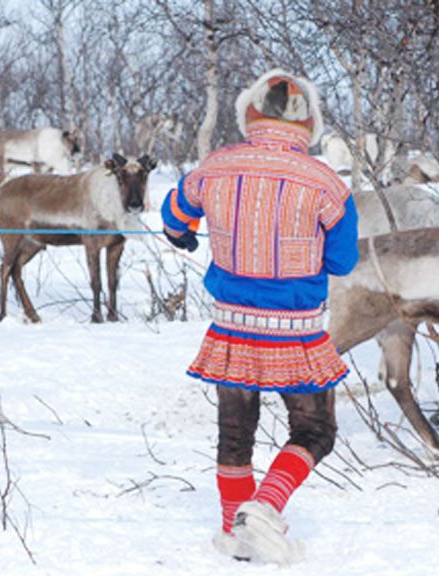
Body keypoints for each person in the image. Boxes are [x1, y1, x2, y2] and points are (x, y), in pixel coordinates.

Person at [161, 69, 359, 564]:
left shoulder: (215, 166)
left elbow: (173, 216)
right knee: (315, 431)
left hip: (232, 327)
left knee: (235, 433)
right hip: (297, 332)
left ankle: (234, 532)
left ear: (249, 113)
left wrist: (184, 233)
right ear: (308, 122)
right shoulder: (327, 183)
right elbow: (342, 261)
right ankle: (265, 508)